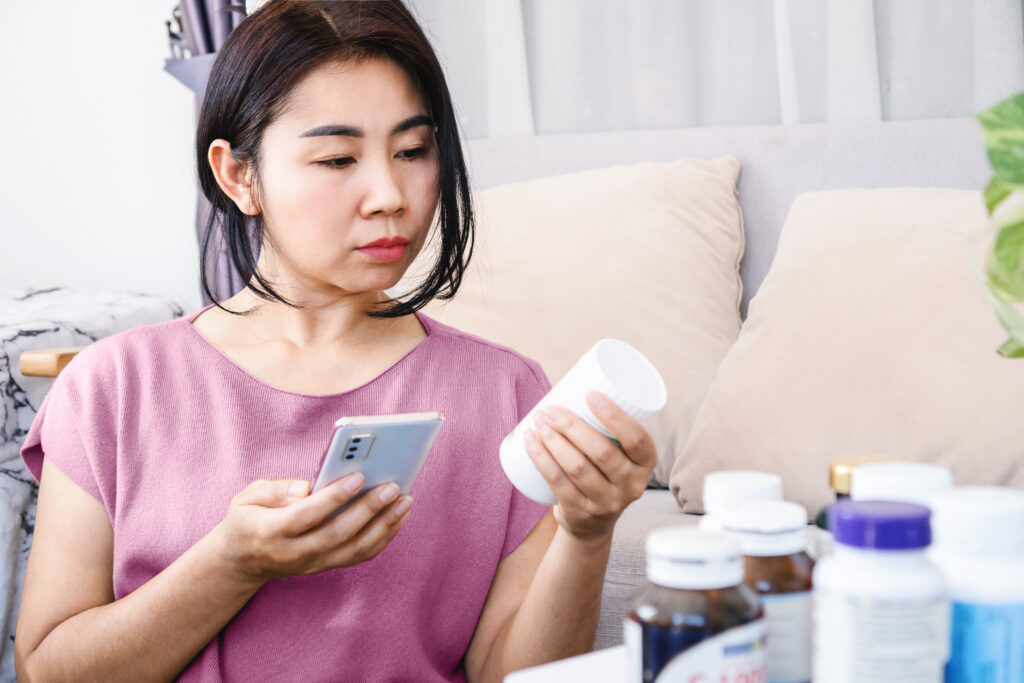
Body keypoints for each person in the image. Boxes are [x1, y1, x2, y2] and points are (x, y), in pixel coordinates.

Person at [14, 2, 657, 681]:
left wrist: (587, 534)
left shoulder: (506, 392)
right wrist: (230, 563)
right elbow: (48, 670)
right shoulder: (113, 386)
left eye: (413, 150)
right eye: (337, 157)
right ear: (239, 176)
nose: (389, 194)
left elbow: (513, 672)